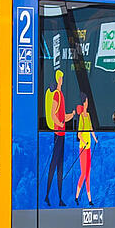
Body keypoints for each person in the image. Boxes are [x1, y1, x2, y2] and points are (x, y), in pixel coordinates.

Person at [43, 70, 69, 206]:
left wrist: (72, 115)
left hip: (62, 135)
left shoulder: (61, 95)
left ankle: (59, 199)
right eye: (61, 78)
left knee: (59, 167)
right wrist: (60, 124)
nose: (62, 80)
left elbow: (62, 116)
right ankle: (47, 195)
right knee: (54, 165)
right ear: (59, 79)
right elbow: (54, 116)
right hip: (58, 135)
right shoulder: (57, 95)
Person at [74, 103, 95, 205]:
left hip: (88, 148)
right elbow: (79, 134)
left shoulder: (88, 116)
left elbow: (91, 128)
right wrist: (84, 141)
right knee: (83, 173)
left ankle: (90, 199)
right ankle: (77, 196)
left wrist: (95, 139)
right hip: (83, 148)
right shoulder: (81, 118)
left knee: (88, 174)